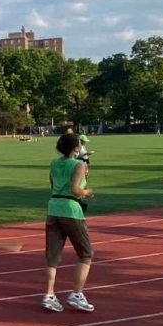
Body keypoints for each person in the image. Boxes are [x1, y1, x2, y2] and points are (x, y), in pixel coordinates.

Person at [42, 132, 95, 313]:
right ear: (76, 148)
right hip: (71, 210)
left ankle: (49, 294)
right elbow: (75, 190)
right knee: (86, 254)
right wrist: (87, 192)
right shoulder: (78, 164)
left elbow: (52, 184)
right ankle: (77, 293)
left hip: (53, 207)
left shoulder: (54, 163)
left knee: (52, 257)